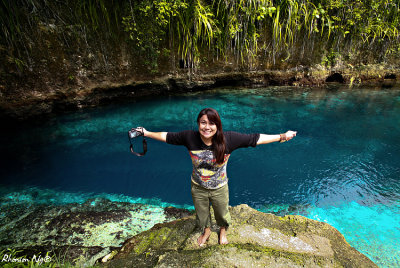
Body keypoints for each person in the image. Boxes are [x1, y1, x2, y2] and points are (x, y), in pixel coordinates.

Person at [138, 108, 296, 247]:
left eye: (211, 123)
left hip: (219, 187)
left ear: (217, 125)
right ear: (198, 124)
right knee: (202, 214)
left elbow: (255, 139)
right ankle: (206, 231)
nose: (207, 127)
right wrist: (146, 133)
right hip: (198, 187)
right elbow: (167, 136)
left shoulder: (229, 139)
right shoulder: (189, 137)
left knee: (222, 214)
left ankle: (222, 231)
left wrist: (282, 136)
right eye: (203, 122)